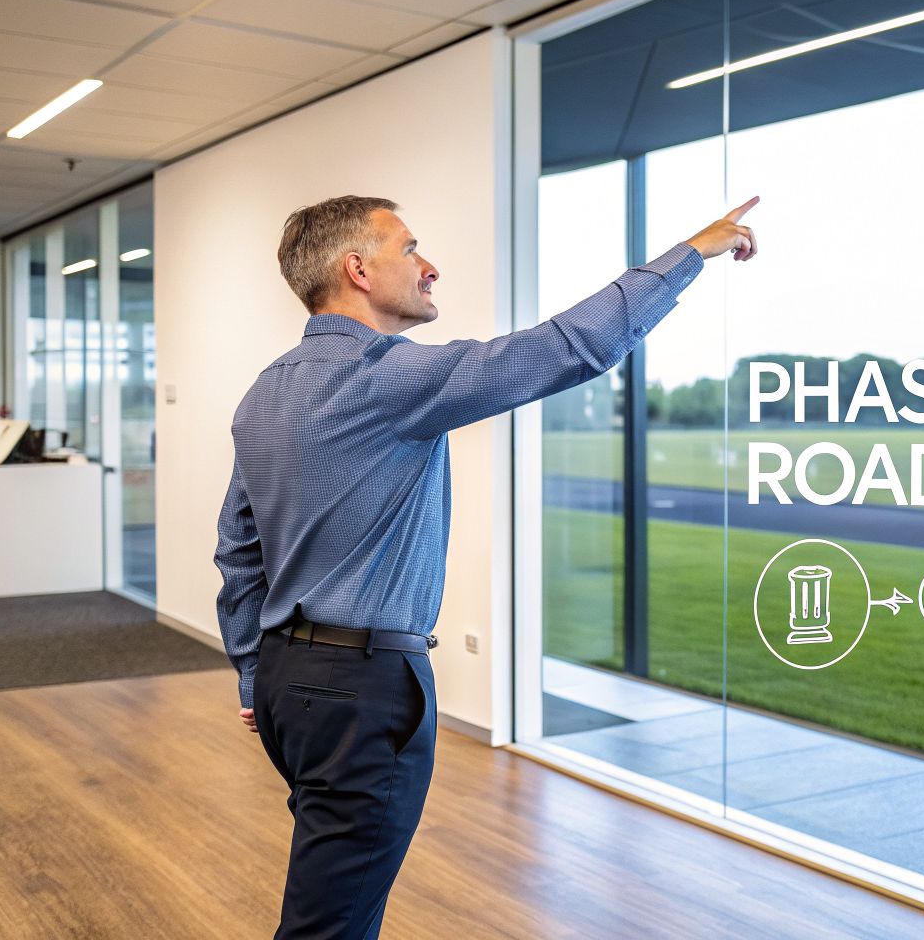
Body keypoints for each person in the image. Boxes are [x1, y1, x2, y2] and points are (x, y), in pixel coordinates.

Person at [214, 194, 758, 938]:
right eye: (409, 249)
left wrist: (251, 667)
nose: (429, 266)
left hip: (286, 681)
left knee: (337, 896)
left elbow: (238, 548)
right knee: (329, 924)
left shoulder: (265, 393)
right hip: (361, 691)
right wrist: (690, 252)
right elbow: (568, 349)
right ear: (357, 270)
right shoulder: (381, 379)